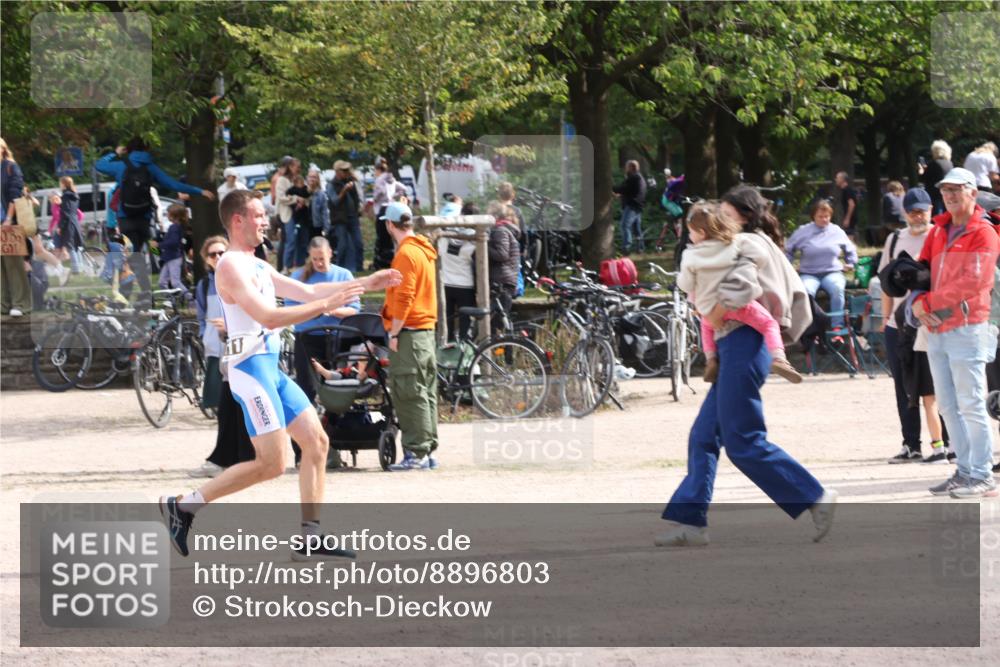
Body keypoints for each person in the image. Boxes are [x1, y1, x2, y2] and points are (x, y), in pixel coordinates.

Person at [158, 189, 401, 559]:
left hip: (270, 367)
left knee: (317, 443)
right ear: (237, 219)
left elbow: (307, 289)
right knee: (273, 464)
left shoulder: (258, 264)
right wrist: (324, 305)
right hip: (250, 371)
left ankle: (310, 537)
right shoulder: (230, 265)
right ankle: (185, 506)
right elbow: (269, 317)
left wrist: (365, 284)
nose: (265, 220)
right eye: (257, 215)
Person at [658, 188, 836, 548]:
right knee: (704, 436)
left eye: (725, 213)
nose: (718, 220)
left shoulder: (748, 244)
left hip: (745, 340)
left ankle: (813, 495)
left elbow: (739, 291)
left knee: (742, 440)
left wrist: (711, 312)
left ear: (744, 215)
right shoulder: (734, 244)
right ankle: (692, 523)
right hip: (733, 342)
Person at [912, 167, 1000, 498]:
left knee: (972, 404)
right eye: (945, 190)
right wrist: (919, 302)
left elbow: (975, 282)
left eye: (956, 190)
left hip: (969, 327)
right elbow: (920, 272)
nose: (949, 195)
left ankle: (981, 475)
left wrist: (928, 303)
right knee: (948, 405)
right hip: (938, 328)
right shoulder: (937, 231)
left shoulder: (984, 231)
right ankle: (964, 471)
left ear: (972, 193)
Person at [679, 202, 802, 385]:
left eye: (691, 232)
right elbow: (760, 255)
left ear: (702, 233)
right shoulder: (735, 243)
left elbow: (686, 284)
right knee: (769, 324)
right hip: (740, 304)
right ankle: (779, 358)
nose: (689, 236)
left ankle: (711, 359)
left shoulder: (691, 255)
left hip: (709, 308)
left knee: (706, 328)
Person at [877, 188, 951, 465]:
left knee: (939, 384)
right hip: (900, 323)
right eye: (912, 210)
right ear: (904, 212)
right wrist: (885, 319)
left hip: (933, 320)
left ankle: (947, 442)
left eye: (922, 210)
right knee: (903, 386)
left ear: (932, 210)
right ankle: (911, 444)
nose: (918, 215)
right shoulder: (894, 239)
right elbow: (885, 283)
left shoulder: (941, 235)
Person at [96, 137, 214, 300]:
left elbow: (99, 165)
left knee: (132, 254)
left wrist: (115, 153)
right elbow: (173, 185)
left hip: (126, 218)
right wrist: (199, 191)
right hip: (145, 219)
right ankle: (153, 277)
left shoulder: (122, 165)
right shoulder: (150, 167)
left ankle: (134, 293)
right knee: (147, 248)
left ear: (128, 150)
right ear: (146, 150)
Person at [380, 201, 440, 471]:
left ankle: (416, 453)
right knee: (425, 392)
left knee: (408, 392)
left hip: (409, 332)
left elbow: (404, 298)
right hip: (425, 333)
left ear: (390, 225)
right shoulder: (424, 249)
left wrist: (394, 331)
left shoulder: (405, 254)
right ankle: (427, 450)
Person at [785, 199, 858, 330]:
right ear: (813, 216)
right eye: (820, 216)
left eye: (827, 217)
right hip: (809, 273)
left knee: (837, 289)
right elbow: (789, 250)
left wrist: (851, 262)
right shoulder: (803, 231)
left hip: (832, 272)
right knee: (806, 292)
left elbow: (850, 249)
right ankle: (811, 328)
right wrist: (788, 267)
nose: (824, 220)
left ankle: (837, 326)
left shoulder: (836, 231)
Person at [1, 138, 32, 317]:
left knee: (14, 264)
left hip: (9, 221)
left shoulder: (10, 167)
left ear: (3, 149)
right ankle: (3, 304)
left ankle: (21, 304)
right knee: (1, 267)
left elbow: (15, 194)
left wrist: (8, 218)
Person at [438, 202, 477, 342]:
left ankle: (447, 349)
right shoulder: (475, 238)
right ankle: (463, 350)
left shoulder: (444, 236)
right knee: (465, 322)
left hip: (447, 283)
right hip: (466, 285)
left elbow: (440, 252)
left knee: (447, 319)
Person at [486, 201, 521, 331]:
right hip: (506, 278)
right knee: (500, 319)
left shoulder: (500, 231)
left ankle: (503, 349)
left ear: (495, 216)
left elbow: (502, 254)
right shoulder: (505, 230)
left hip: (502, 280)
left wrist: (484, 244)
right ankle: (502, 348)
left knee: (498, 322)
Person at [327, 160, 364, 273]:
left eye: (348, 170)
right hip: (340, 219)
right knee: (342, 245)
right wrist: (344, 190)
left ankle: (359, 268)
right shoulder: (331, 185)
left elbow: (358, 197)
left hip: (353, 217)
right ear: (337, 172)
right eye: (344, 170)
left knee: (359, 243)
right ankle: (339, 270)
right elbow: (335, 201)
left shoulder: (351, 181)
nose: (347, 172)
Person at [371, 157, 403, 269]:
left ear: (377, 169)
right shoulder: (392, 179)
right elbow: (403, 189)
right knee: (390, 237)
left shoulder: (379, 179)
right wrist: (394, 196)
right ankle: (391, 260)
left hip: (382, 208)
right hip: (391, 208)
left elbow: (381, 191)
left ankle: (382, 262)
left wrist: (376, 198)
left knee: (382, 237)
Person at [612, 160, 647, 254]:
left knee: (624, 225)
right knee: (636, 229)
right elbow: (631, 191)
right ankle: (641, 248)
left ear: (631, 167)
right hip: (638, 206)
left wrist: (611, 188)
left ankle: (626, 247)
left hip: (632, 205)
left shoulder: (634, 178)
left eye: (627, 167)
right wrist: (620, 195)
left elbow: (624, 188)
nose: (625, 169)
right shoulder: (639, 178)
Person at [274, 156, 302, 272]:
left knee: (291, 240)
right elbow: (281, 197)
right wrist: (296, 199)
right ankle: (285, 267)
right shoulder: (282, 180)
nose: (298, 169)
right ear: (289, 167)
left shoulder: (293, 179)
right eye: (295, 166)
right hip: (285, 215)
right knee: (289, 240)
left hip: (294, 214)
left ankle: (289, 265)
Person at [157, 203, 190, 290]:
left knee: (175, 282)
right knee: (162, 282)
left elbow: (173, 242)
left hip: (174, 258)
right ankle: (171, 300)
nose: (166, 215)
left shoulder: (174, 227)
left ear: (174, 216)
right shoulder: (177, 227)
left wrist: (159, 245)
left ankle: (190, 299)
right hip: (169, 257)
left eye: (168, 213)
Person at [920, 139, 953, 215]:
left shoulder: (934, 163)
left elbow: (924, 179)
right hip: (946, 194)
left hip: (935, 195)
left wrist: (921, 172)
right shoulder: (949, 163)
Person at [833, 171, 859, 237]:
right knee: (849, 235)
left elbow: (852, 205)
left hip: (851, 217)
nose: (835, 179)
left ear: (842, 179)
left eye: (837, 178)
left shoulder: (847, 190)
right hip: (851, 217)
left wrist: (847, 218)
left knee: (849, 236)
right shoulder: (845, 190)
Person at [306, 169, 328, 241]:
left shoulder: (321, 195)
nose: (312, 179)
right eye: (310, 177)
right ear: (307, 178)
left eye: (314, 177)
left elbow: (324, 213)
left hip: (317, 226)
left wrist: (326, 228)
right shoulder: (302, 192)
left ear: (318, 179)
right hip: (304, 227)